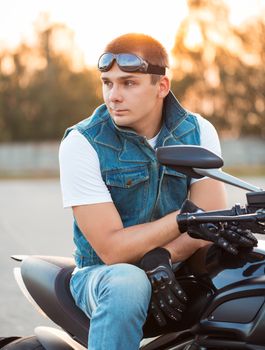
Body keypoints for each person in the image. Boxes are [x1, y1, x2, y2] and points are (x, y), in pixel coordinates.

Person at [59, 33, 255, 350]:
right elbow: (113, 250)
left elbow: (202, 231)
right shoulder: (82, 143)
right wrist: (181, 219)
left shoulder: (198, 131)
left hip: (177, 267)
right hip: (102, 275)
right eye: (107, 83)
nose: (114, 96)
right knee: (128, 281)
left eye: (129, 83)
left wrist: (179, 251)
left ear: (161, 87)